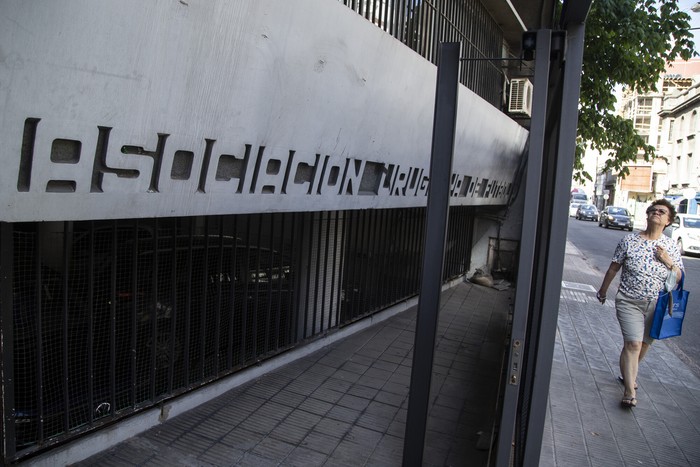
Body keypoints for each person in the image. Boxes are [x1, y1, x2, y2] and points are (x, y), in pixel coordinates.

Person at [596, 199, 684, 408]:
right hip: (628, 301)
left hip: (657, 304)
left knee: (643, 345)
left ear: (668, 221)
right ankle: (629, 391)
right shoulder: (629, 240)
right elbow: (613, 268)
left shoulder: (670, 246)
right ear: (647, 215)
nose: (656, 213)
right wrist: (603, 290)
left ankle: (627, 372)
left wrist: (667, 260)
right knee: (633, 344)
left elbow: (679, 276)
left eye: (662, 211)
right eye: (653, 210)